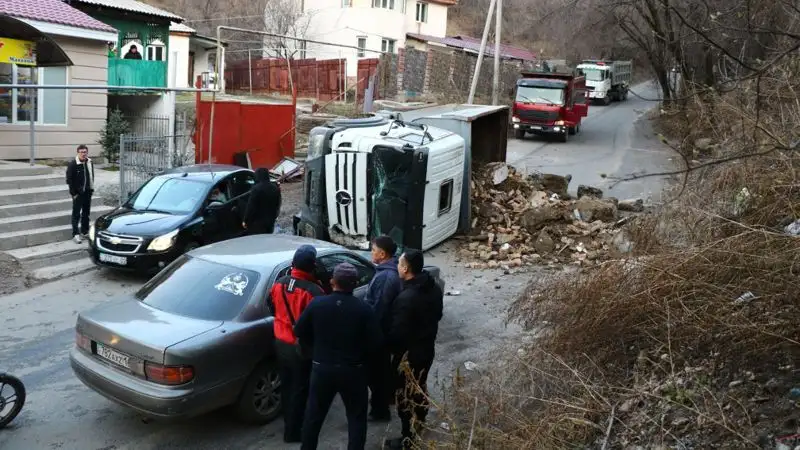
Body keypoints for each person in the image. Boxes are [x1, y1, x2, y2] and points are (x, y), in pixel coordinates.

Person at [295, 263, 382, 450]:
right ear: (355, 283)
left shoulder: (317, 304)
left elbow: (299, 330)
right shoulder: (364, 309)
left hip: (322, 368)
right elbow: (375, 343)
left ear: (332, 282)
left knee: (313, 417)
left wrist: (315, 349)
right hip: (353, 371)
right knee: (357, 418)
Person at [384, 249, 444, 450]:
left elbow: (397, 333)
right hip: (427, 349)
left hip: (408, 355)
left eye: (399, 264)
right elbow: (438, 315)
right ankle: (420, 419)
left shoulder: (406, 298)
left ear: (406, 268)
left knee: (404, 393)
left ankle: (407, 436)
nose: (397, 267)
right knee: (420, 387)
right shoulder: (433, 288)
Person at [270, 245, 326, 443]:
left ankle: (288, 422)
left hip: (280, 342)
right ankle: (293, 431)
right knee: (300, 389)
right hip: (301, 347)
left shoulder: (279, 283)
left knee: (286, 385)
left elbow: (271, 307)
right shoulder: (314, 291)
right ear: (312, 266)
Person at [364, 235, 403, 422]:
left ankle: (380, 409)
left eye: (373, 249)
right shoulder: (387, 271)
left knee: (376, 373)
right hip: (383, 333)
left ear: (382, 253)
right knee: (379, 371)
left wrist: (370, 334)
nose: (371, 252)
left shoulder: (386, 276)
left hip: (380, 335)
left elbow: (379, 309)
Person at [66, 145, 94, 244]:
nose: (83, 154)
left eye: (85, 152)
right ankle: (75, 234)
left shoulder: (89, 162)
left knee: (86, 213)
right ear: (78, 153)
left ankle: (84, 231)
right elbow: (69, 180)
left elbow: (91, 176)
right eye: (81, 152)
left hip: (88, 192)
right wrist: (74, 194)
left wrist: (91, 189)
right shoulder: (73, 164)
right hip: (78, 194)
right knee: (76, 214)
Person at [243, 167, 281, 234]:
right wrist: (275, 216)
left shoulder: (256, 189)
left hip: (257, 223)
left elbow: (251, 207)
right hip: (270, 221)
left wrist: (246, 220)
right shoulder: (275, 188)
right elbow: (278, 204)